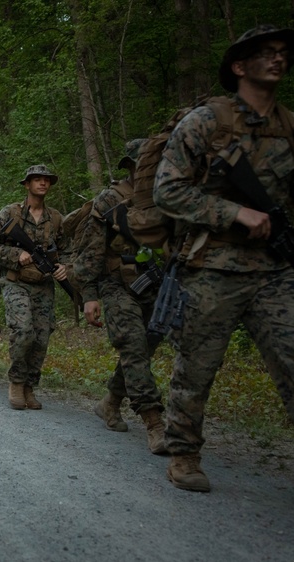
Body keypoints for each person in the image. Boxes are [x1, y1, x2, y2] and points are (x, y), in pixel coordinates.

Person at [153, 25, 294, 492]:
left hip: (275, 269)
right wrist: (233, 211)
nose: (277, 59)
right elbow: (167, 190)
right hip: (212, 267)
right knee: (196, 367)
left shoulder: (290, 125)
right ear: (239, 66)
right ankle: (184, 453)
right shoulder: (205, 122)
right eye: (265, 53)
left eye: (281, 53)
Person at [72, 142, 168, 454]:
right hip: (115, 285)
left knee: (141, 350)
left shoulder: (166, 198)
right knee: (133, 346)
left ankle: (111, 401)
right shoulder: (111, 200)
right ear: (130, 165)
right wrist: (89, 296)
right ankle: (154, 423)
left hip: (155, 285)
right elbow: (90, 254)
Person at [0, 166, 70, 410]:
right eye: (37, 180)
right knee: (24, 331)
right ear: (27, 184)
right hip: (16, 281)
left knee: (41, 337)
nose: (42, 183)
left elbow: (67, 250)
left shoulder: (55, 218)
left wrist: (67, 268)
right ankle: (16, 382)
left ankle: (29, 387)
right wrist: (17, 253)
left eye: (46, 180)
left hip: (44, 285)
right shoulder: (9, 213)